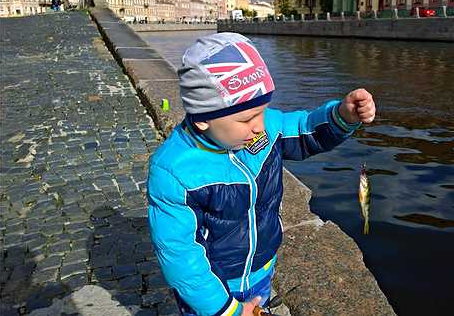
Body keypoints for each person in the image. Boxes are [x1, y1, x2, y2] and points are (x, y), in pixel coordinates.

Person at [147, 32, 376, 316]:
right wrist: (226, 310)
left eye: (262, 111)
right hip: (215, 288)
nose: (259, 126)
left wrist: (342, 115)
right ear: (203, 117)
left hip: (262, 269)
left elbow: (306, 130)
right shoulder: (173, 171)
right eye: (246, 118)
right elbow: (180, 255)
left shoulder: (263, 128)